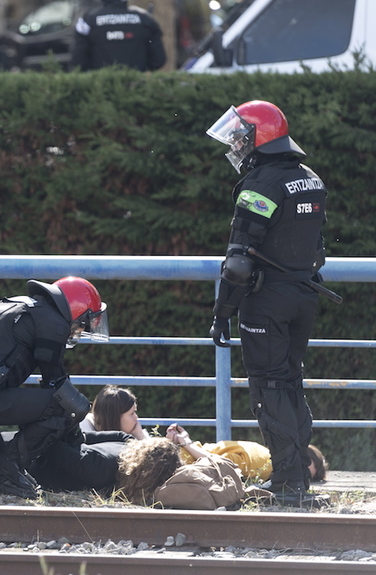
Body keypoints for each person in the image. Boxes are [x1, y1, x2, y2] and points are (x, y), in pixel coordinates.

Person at [207, 99, 330, 509]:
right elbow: (317, 251)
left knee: (268, 387)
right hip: (303, 296)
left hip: (268, 302)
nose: (237, 146)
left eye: (242, 137)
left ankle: (287, 485)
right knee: (289, 382)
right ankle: (296, 479)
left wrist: (222, 314)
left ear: (261, 138)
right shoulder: (309, 179)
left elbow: (239, 264)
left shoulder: (260, 185)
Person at [0, 276, 109, 499]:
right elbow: (57, 387)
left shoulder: (18, 306)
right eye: (83, 323)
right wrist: (76, 441)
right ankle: (8, 469)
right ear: (76, 310)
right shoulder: (53, 321)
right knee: (69, 406)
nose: (80, 330)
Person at [166, 423, 328, 485]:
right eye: (302, 465)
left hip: (182, 457)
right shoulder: (267, 465)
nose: (299, 471)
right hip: (180, 461)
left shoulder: (267, 455)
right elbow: (221, 463)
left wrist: (186, 443)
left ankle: (139, 430)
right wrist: (185, 443)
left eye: (305, 474)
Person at [71, 0, 167, 72]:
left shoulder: (89, 21)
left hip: (100, 85)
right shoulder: (145, 21)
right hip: (136, 84)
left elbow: (78, 61)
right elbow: (158, 61)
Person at [79, 385, 149, 441]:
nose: (136, 417)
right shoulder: (86, 439)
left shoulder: (135, 433)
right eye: (132, 413)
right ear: (114, 417)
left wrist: (140, 436)